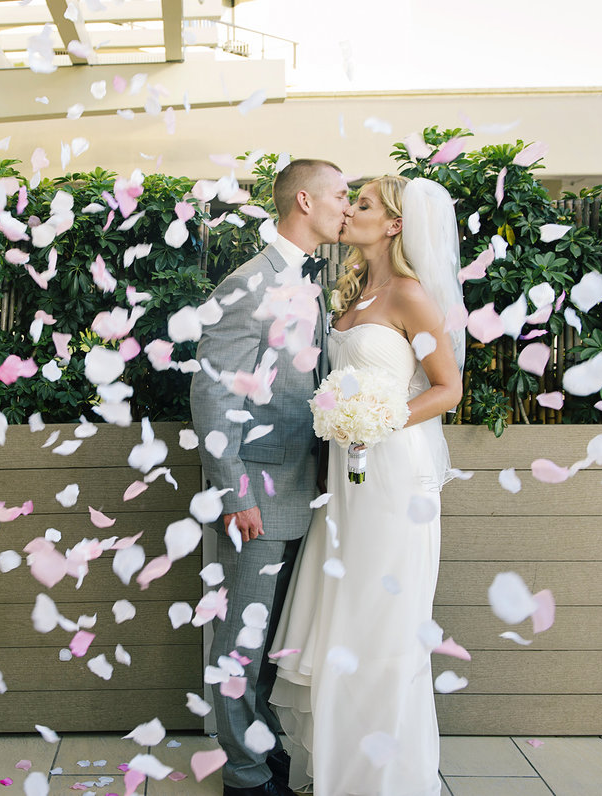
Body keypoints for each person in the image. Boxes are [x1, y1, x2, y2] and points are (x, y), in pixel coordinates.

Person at [269, 175, 465, 796]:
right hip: (344, 475)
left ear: (395, 225)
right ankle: (337, 766)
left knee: (382, 615)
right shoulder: (351, 291)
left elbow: (448, 389)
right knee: (343, 610)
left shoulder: (411, 297)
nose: (349, 212)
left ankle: (383, 777)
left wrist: (379, 419)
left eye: (363, 205)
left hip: (392, 473)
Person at [190, 158, 353, 796]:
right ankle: (246, 778)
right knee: (239, 646)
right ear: (305, 200)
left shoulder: (322, 276)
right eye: (341, 195)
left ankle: (262, 752)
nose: (348, 205)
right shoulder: (247, 285)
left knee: (270, 643)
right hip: (255, 496)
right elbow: (212, 397)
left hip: (305, 489)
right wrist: (233, 491)